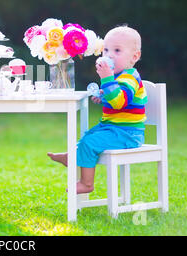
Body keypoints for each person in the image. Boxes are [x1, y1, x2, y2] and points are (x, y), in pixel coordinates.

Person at [48, 25, 147, 194]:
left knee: (90, 143)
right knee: (87, 136)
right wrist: (102, 98)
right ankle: (71, 157)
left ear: (134, 57)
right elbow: (112, 98)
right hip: (112, 128)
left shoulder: (130, 78)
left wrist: (107, 79)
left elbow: (118, 102)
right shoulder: (116, 77)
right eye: (106, 50)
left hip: (128, 133)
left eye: (117, 51)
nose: (109, 55)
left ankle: (87, 184)